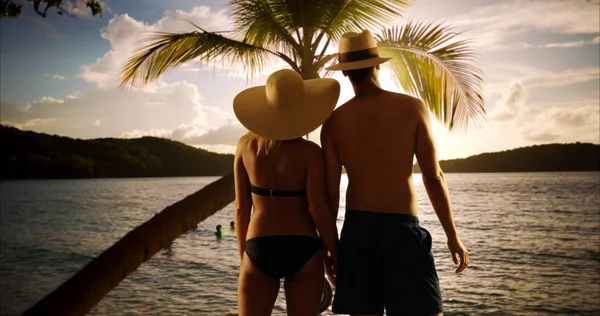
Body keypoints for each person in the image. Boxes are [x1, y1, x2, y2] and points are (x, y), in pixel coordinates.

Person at [321, 30, 470, 316]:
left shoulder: (333, 123)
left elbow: (330, 195)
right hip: (401, 230)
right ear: (378, 64)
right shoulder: (412, 108)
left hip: (357, 232)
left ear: (345, 73)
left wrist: (330, 247)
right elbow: (433, 176)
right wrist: (452, 235)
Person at [233, 69, 340, 316]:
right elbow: (319, 210)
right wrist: (333, 252)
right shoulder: (310, 153)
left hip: (259, 245)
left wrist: (245, 259)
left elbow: (241, 210)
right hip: (303, 245)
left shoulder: (245, 146)